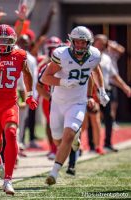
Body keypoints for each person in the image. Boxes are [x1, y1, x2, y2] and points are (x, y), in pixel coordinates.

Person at [41, 26, 109, 185]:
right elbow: (45, 78)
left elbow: (95, 71)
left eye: (82, 42)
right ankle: (73, 140)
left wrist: (101, 91)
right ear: (71, 42)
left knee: (69, 134)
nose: (79, 46)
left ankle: (54, 173)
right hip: (58, 103)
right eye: (76, 42)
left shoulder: (94, 55)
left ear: (89, 43)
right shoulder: (61, 55)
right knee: (57, 141)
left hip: (77, 102)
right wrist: (63, 82)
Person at [0, 24, 38, 195]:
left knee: (11, 134)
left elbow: (28, 73)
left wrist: (30, 95)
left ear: (13, 42)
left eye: (6, 41)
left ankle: (8, 180)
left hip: (10, 104)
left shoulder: (20, 55)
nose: (2, 44)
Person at [93, 34, 131, 152]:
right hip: (91, 91)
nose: (100, 45)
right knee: (92, 117)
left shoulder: (107, 58)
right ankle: (91, 145)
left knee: (109, 117)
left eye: (102, 43)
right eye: (98, 42)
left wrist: (125, 87)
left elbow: (113, 76)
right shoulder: (88, 56)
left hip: (105, 90)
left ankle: (107, 143)